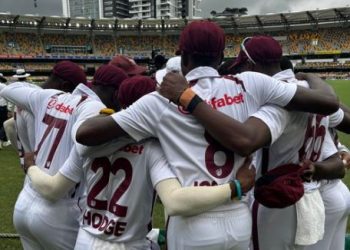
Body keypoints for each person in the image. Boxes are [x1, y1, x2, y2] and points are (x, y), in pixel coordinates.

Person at [76, 21, 338, 250]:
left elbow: (86, 134)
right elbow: (328, 104)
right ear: (221, 56)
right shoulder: (251, 83)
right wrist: (308, 76)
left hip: (193, 222)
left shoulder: (157, 102)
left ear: (184, 56)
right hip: (238, 216)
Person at [23, 75, 256, 250]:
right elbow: (175, 202)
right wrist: (235, 187)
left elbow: (53, 187)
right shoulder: (153, 149)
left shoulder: (86, 145)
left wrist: (31, 166)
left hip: (86, 240)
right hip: (129, 244)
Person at [228, 36, 345, 250]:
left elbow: (246, 140)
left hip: (274, 196)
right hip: (311, 193)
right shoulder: (312, 93)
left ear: (250, 64)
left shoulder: (274, 95)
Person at [0, 60, 108, 250]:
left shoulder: (42, 98)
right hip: (59, 208)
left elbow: (8, 91)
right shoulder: (86, 106)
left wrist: (37, 90)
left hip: (26, 199)